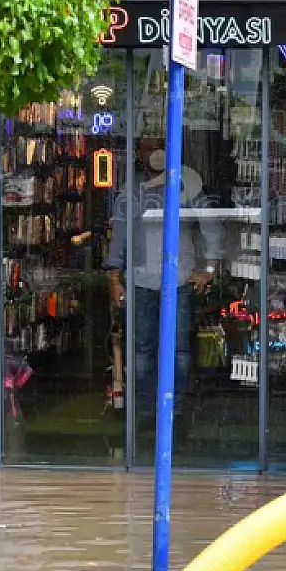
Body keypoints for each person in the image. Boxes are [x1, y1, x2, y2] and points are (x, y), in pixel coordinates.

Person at [105, 140, 225, 414]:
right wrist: (114, 278)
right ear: (139, 154)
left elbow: (212, 226)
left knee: (179, 350)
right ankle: (147, 410)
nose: (152, 154)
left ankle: (175, 409)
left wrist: (208, 270)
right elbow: (119, 235)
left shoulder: (188, 185)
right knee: (142, 349)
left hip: (180, 279)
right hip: (141, 279)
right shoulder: (132, 190)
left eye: (157, 147)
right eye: (146, 149)